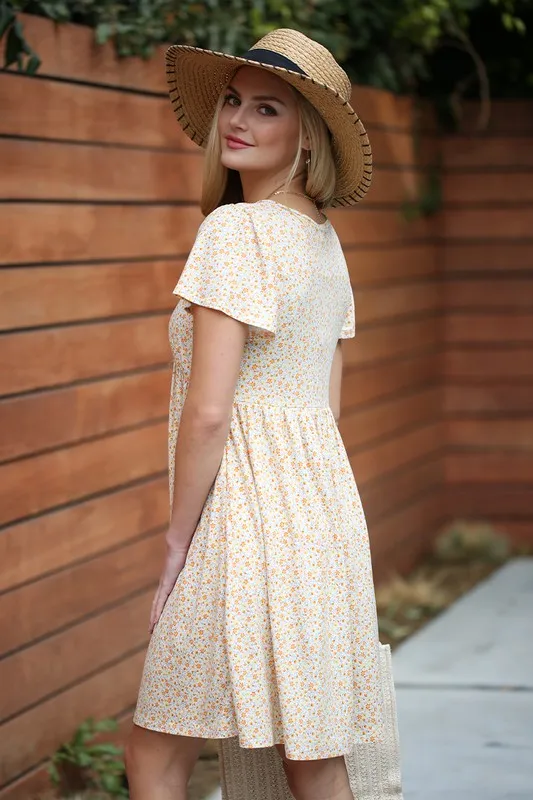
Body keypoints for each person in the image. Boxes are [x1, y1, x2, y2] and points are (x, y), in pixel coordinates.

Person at [126, 27, 384, 800]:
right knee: (311, 752)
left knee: (155, 752)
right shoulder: (324, 243)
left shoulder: (234, 233)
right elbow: (325, 405)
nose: (237, 120)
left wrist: (177, 547)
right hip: (322, 519)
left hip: (240, 519)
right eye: (233, 102)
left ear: (306, 137)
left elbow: (208, 412)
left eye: (266, 109)